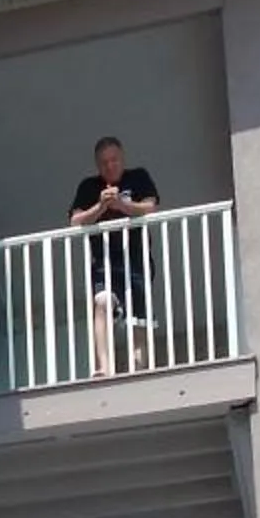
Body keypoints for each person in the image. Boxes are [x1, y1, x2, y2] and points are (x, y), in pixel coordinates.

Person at [68, 136, 160, 375]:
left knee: (138, 316)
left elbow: (151, 207)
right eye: (104, 162)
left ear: (122, 158)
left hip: (136, 257)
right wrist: (100, 207)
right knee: (102, 302)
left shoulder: (138, 177)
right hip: (105, 261)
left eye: (114, 160)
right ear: (98, 165)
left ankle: (139, 368)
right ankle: (105, 368)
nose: (110, 166)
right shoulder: (89, 187)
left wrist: (122, 205)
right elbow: (75, 221)